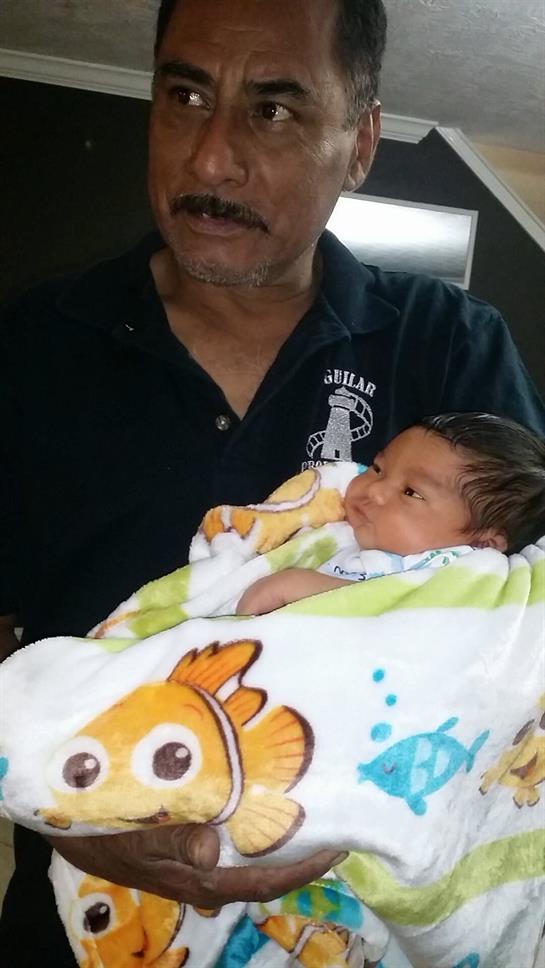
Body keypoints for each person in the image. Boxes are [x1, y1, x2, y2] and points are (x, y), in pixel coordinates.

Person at [1, 0, 544, 964]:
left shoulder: (454, 351)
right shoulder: (28, 352)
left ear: (361, 141)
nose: (210, 159)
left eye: (275, 109)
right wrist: (80, 806)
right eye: (184, 95)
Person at [236, 412, 545, 615]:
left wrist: (295, 586)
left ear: (482, 543)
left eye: (411, 492)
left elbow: (406, 618)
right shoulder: (337, 536)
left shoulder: (465, 575)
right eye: (378, 468)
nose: (375, 490)